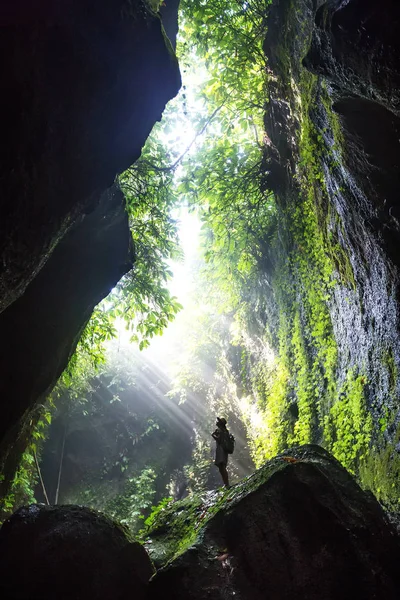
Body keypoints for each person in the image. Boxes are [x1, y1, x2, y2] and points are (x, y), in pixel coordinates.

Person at [212, 417, 231, 488]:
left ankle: (227, 484)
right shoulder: (226, 431)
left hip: (220, 450)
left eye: (218, 421)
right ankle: (226, 484)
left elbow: (219, 440)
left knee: (222, 467)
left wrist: (213, 435)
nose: (216, 422)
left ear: (220, 423)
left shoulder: (219, 430)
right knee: (222, 467)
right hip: (224, 450)